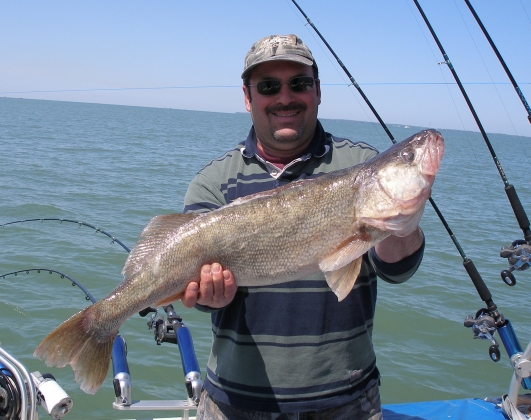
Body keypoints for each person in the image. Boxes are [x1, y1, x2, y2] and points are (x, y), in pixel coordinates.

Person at [181, 34, 426, 419]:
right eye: (268, 86)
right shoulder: (214, 182)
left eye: (299, 83)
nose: (285, 97)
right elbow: (201, 295)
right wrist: (211, 295)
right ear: (248, 97)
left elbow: (397, 270)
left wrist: (402, 220)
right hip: (235, 403)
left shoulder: (361, 164)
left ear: (317, 91)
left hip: (347, 402)